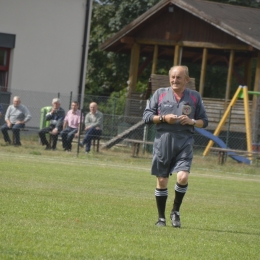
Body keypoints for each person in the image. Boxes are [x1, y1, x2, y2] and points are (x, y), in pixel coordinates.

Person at [143, 65, 208, 228]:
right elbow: (146, 116)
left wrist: (192, 121)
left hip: (184, 141)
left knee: (183, 177)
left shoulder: (194, 97)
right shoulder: (160, 94)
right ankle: (161, 218)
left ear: (187, 79)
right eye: (172, 77)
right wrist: (164, 118)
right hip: (163, 141)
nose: (175, 80)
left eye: (179, 77)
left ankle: (175, 211)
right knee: (162, 181)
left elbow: (204, 121)